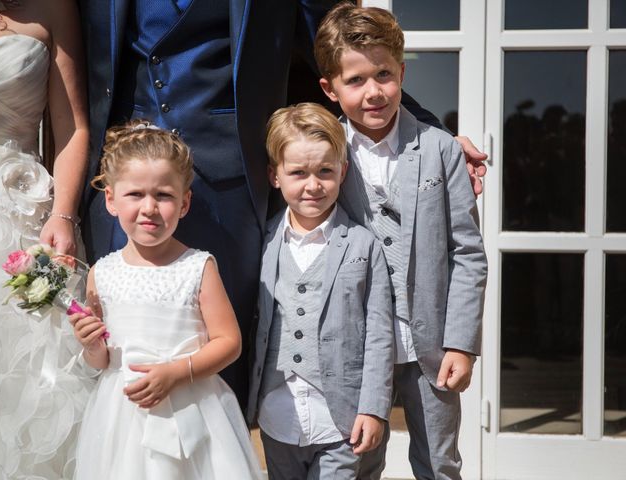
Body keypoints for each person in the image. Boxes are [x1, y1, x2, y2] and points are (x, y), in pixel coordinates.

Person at [77, 0, 487, 405]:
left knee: (227, 338)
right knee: (117, 334)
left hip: (231, 180)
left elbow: (336, 48)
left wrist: (431, 133)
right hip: (124, 178)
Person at [315, 4, 488, 479]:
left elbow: (468, 253)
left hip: (429, 347)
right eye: (355, 81)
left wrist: (461, 343)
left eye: (384, 75)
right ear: (330, 89)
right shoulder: (324, 158)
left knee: (439, 462)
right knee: (357, 463)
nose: (373, 92)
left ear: (402, 73)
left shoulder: (440, 149)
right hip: (357, 347)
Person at [69, 122, 263, 479]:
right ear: (111, 200)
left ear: (184, 202)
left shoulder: (197, 266)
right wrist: (90, 344)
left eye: (163, 195)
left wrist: (176, 373)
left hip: (192, 408)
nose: (150, 208)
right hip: (123, 417)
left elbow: (229, 342)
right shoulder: (101, 273)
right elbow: (101, 360)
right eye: (135, 195)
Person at [247, 102, 393, 479]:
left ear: (342, 172)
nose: (313, 185)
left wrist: (374, 408)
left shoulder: (364, 245)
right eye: (298, 173)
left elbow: (379, 335)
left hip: (341, 419)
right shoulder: (262, 242)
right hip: (278, 414)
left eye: (325, 171)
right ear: (275, 176)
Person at [0, 1, 91, 478]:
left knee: (33, 381)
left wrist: (63, 214)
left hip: (25, 214)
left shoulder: (52, 6)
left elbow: (72, 127)